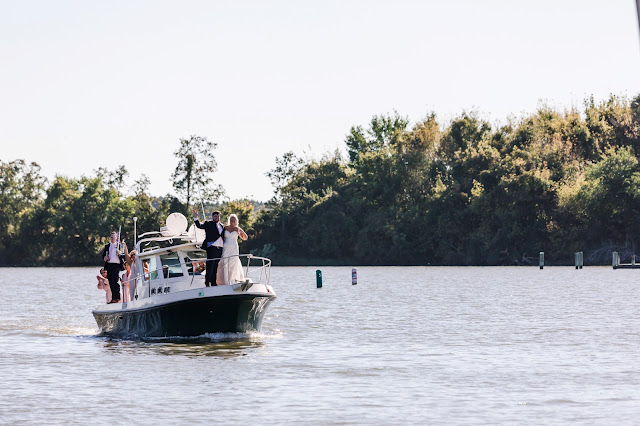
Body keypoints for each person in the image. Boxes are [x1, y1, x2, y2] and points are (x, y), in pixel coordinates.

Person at [194, 210, 225, 286]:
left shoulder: (221, 225)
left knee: (215, 267)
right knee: (210, 266)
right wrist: (196, 217)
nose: (217, 217)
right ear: (212, 217)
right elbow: (199, 226)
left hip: (219, 249)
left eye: (218, 216)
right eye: (215, 216)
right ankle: (207, 282)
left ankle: (213, 282)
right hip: (212, 247)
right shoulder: (208, 224)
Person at [216, 214, 248, 285]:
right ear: (229, 220)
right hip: (225, 247)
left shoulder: (237, 229)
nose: (232, 221)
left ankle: (233, 280)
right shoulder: (225, 228)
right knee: (225, 263)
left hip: (234, 248)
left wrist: (241, 232)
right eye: (231, 220)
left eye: (234, 220)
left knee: (233, 263)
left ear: (236, 221)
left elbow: (245, 238)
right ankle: (226, 282)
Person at [101, 231, 125, 303]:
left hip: (116, 264)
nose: (113, 238)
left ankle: (117, 297)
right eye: (111, 237)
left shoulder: (119, 246)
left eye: (114, 237)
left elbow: (123, 255)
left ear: (116, 237)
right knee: (111, 281)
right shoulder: (107, 246)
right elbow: (103, 256)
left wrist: (119, 253)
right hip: (109, 264)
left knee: (115, 281)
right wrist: (105, 258)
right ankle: (113, 298)